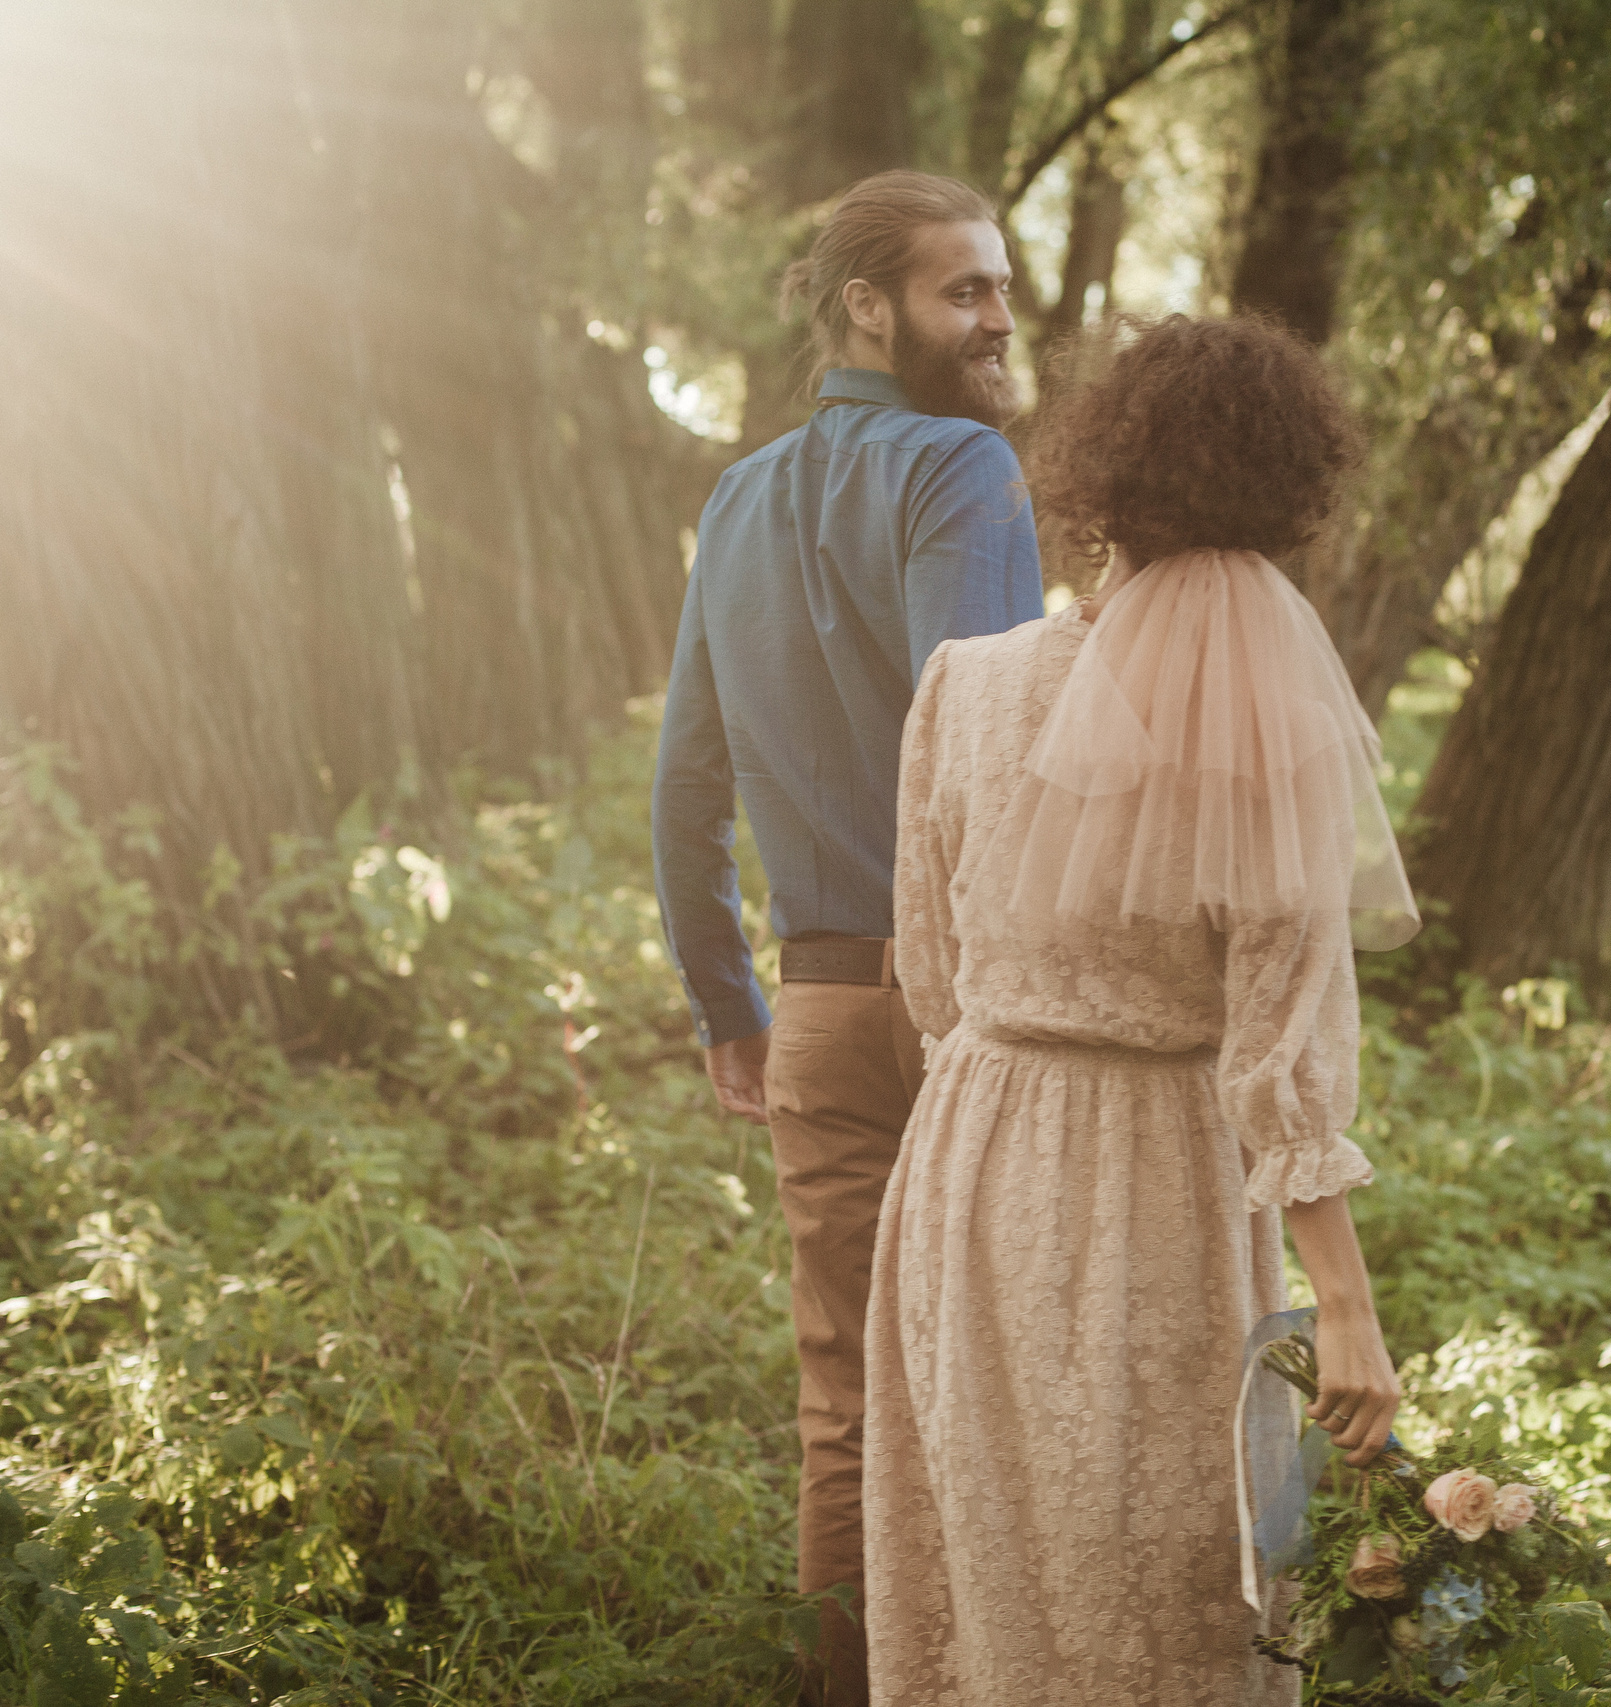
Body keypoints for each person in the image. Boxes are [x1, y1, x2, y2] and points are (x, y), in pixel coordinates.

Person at [864, 315, 1420, 1706]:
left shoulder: (964, 686)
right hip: (1167, 1178)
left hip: (974, 1155)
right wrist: (1347, 1309)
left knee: (992, 1549)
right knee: (1173, 1567)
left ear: (1103, 480)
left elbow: (930, 975)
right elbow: (1282, 1047)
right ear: (1284, 501)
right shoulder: (1263, 715)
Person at [650, 169, 1046, 1707]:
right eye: (967, 290)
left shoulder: (737, 500)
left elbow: (687, 782)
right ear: (869, 307)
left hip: (813, 1013)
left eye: (1002, 286)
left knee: (846, 1411)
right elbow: (983, 762)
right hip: (973, 1019)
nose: (1000, 318)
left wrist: (728, 1007)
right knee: (1010, 1389)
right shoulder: (964, 469)